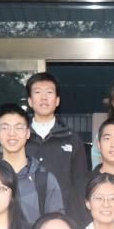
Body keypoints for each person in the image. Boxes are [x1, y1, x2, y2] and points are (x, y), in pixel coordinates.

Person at [0, 102, 65, 226]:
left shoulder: (44, 179)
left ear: (28, 133)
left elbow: (57, 227)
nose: (12, 133)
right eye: (5, 128)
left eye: (18, 127)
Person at [25, 72, 89, 218]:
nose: (43, 97)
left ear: (57, 100)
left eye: (49, 92)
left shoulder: (71, 138)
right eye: (37, 92)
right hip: (25, 216)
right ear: (30, 101)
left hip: (63, 216)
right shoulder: (20, 136)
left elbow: (80, 182)